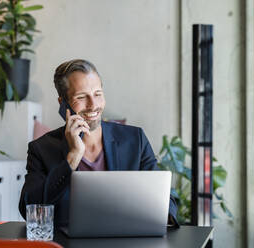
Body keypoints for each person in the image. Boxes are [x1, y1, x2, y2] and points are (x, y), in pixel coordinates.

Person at [18, 59, 178, 227]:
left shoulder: (134, 139)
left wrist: (161, 215)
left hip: (125, 239)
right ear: (63, 103)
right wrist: (72, 158)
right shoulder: (41, 149)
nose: (93, 105)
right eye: (81, 97)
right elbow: (29, 209)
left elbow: (166, 199)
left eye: (97, 94)